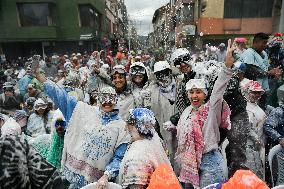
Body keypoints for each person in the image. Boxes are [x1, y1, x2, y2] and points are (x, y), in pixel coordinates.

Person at [35, 68, 130, 188]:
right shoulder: (84, 111)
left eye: (111, 98)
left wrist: (107, 175)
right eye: (104, 98)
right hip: (71, 178)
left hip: (98, 184)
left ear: (116, 100)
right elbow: (62, 97)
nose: (107, 102)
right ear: (98, 99)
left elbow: (119, 157)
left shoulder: (122, 127)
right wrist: (41, 78)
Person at [172, 39, 234, 188]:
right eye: (191, 92)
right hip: (190, 163)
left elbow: (219, 87)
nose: (194, 96)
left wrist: (227, 66)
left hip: (210, 163)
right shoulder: (187, 111)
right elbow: (184, 134)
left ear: (205, 94)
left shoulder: (211, 108)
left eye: (198, 92)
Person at [118, 108, 171, 189]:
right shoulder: (155, 140)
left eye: (128, 124)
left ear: (136, 127)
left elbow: (137, 187)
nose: (125, 128)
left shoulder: (136, 157)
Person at [227, 80, 266, 179]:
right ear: (246, 92)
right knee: (247, 175)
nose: (256, 95)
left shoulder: (259, 109)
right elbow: (246, 128)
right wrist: (255, 138)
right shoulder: (243, 108)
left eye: (258, 93)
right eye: (253, 92)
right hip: (245, 147)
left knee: (258, 175)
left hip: (258, 148)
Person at [241, 32, 282, 109]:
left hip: (263, 88)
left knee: (262, 109)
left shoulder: (264, 53)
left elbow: (267, 66)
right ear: (256, 42)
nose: (265, 45)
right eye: (264, 42)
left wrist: (275, 72)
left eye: (266, 42)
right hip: (252, 90)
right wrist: (269, 73)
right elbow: (251, 70)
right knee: (252, 110)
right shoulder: (249, 53)